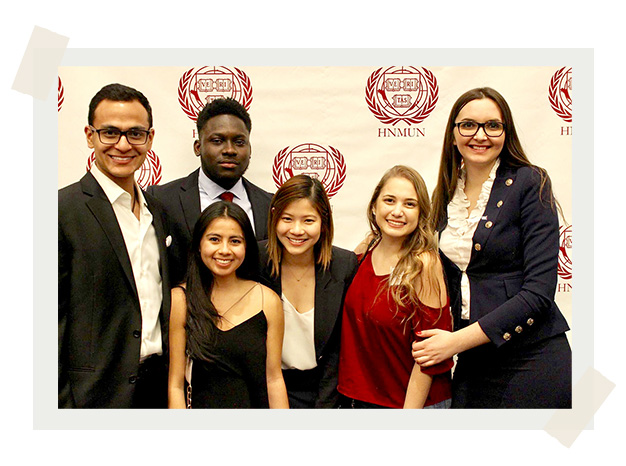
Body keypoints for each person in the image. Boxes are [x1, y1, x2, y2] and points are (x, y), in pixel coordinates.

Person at [411, 87, 571, 408]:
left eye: (492, 125)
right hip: (474, 361)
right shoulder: (443, 195)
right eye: (468, 125)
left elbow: (538, 294)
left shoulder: (531, 183)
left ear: (505, 132)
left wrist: (454, 342)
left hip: (532, 356)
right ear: (453, 134)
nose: (480, 135)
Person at [58, 83, 171, 408]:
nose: (123, 145)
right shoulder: (62, 210)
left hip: (157, 390)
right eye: (110, 132)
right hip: (92, 397)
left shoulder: (158, 212)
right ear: (89, 135)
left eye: (135, 133)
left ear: (150, 138)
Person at [338, 165, 453, 409]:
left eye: (410, 204)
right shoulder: (366, 249)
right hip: (360, 401)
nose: (397, 212)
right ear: (374, 205)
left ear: (421, 212)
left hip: (411, 406)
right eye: (389, 200)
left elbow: (429, 355)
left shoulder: (425, 263)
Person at [168, 201, 288, 408]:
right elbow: (176, 385)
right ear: (199, 244)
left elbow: (274, 379)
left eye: (235, 241)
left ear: (247, 246)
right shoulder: (180, 300)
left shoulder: (268, 300)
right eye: (214, 239)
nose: (224, 250)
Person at [148, 98, 273, 285]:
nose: (229, 150)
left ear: (249, 148)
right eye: (217, 141)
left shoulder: (270, 205)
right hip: (183, 311)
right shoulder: (161, 199)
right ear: (198, 147)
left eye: (239, 142)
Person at [258, 175, 357, 408]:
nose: (296, 230)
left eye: (308, 220)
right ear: (274, 218)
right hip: (265, 391)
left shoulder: (344, 265)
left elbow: (338, 352)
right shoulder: (255, 260)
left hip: (324, 393)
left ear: (323, 222)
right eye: (287, 219)